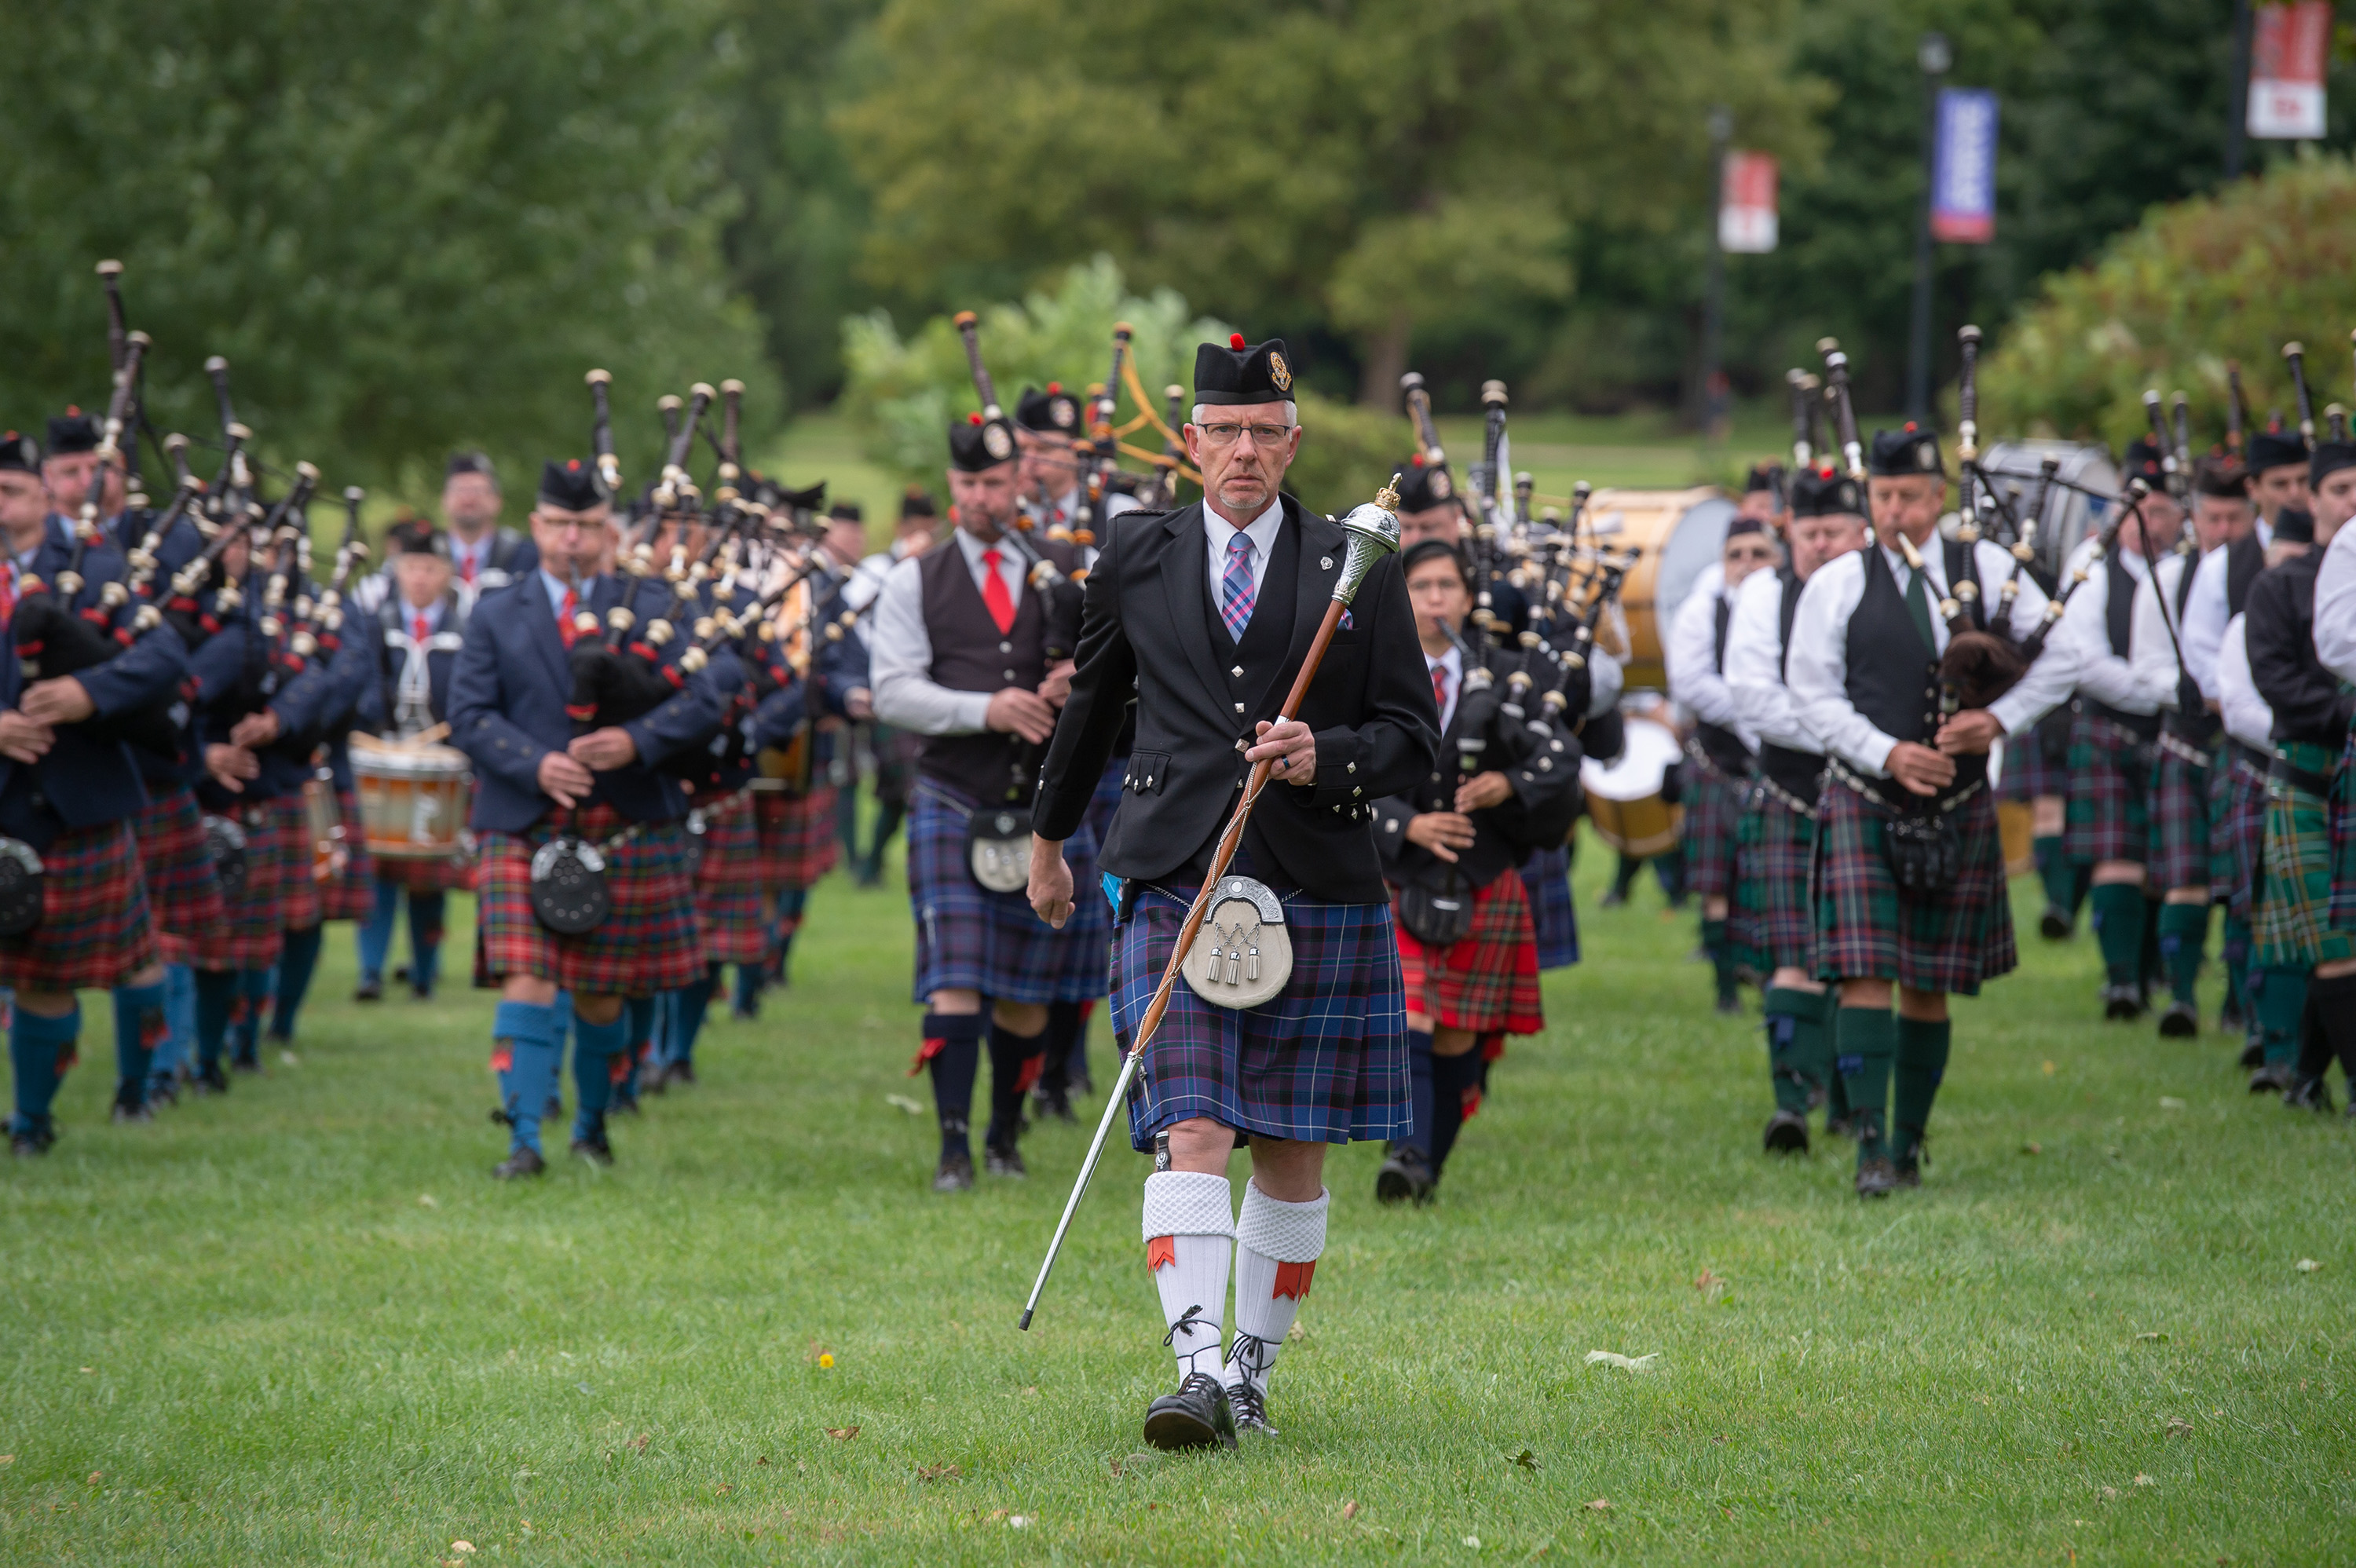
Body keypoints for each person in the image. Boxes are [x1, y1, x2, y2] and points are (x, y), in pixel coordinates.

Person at [1027, 333, 1437, 1448]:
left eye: (1265, 431)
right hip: (1175, 871)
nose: (1244, 450)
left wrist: (1328, 753)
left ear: (1293, 440)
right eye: (1225, 431)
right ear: (1191, 442)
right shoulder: (1135, 551)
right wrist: (1049, 837)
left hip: (1317, 872)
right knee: (1194, 1128)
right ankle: (1198, 1370)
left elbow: (1414, 741)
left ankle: (1252, 1373)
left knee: (1293, 1149)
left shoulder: (1357, 560)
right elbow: (1092, 707)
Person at [1787, 423, 2075, 1195]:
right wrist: (1883, 750)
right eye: (1883, 497)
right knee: (1864, 974)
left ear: (1939, 497)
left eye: (1911, 497)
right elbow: (1810, 691)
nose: (1896, 512)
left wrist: (2000, 718)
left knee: (1928, 982)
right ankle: (1870, 1149)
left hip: (1957, 801)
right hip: (1867, 795)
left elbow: (2067, 651)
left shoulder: (1985, 566)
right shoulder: (1838, 582)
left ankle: (1910, 1146)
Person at [448, 459, 723, 1176]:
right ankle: (523, 1142)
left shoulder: (657, 602)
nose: (573, 538)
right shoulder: (496, 610)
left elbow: (704, 700)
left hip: (622, 820)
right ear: (536, 525)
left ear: (609, 531)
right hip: (524, 819)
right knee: (527, 978)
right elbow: (469, 715)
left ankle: (593, 1125)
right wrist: (536, 762)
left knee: (602, 995)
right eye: (560, 524)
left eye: (589, 525)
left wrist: (636, 739)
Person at [869, 409, 1101, 1190]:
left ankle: (1006, 1132)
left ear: (1018, 482)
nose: (982, 496)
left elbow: (1118, 673)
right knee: (956, 978)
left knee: (1027, 996)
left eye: (996, 482)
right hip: (953, 793)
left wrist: (1082, 682)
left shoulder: (1064, 566)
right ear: (951, 486)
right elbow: (892, 691)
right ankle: (954, 1146)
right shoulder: (915, 577)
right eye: (969, 483)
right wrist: (989, 708)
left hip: (1044, 802)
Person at [1370, 540, 1578, 1203]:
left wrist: (1509, 784)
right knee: (1413, 1020)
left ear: (1469, 597)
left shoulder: (1510, 673)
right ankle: (1408, 1152)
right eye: (1421, 585)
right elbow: (1344, 768)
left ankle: (1426, 1165)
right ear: (1401, 597)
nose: (1435, 598)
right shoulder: (1374, 671)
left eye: (1447, 586)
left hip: (1481, 876)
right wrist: (1409, 824)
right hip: (1399, 874)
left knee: (1458, 1032)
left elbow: (1564, 761)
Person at [0, 429, 191, 1150]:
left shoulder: (95, 563)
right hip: (5, 796)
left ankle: (139, 1088)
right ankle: (34, 1121)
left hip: (77, 796)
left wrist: (89, 689)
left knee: (132, 961)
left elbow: (166, 654)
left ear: (45, 495)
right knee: (36, 977)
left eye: (11, 492)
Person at [1727, 465, 1869, 1153]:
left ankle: (1849, 1096)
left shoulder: (1883, 592)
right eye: (1808, 533)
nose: (1820, 545)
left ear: (1860, 532)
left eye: (1834, 532)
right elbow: (1752, 693)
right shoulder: (1763, 592)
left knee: (1859, 954)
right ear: (1790, 534)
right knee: (1792, 949)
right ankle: (1792, 1100)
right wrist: (1856, 732)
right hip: (1793, 788)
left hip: (1870, 792)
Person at [2129, 459, 2256, 1036]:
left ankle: (2239, 1001)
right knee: (2185, 876)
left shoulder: (2264, 569)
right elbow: (2149, 664)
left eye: (2235, 517)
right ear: (2193, 516)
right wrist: (2197, 690)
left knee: (2238, 881)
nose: (2223, 530)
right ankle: (2180, 995)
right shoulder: (2170, 577)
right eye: (2213, 517)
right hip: (2187, 738)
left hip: (2243, 739)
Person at [2247, 443, 2356, 1106]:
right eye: (2340, 488)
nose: (2353, 501)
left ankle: (2306, 1075)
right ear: (2310, 499)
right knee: (2334, 940)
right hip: (2309, 774)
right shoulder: (2278, 586)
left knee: (2340, 941)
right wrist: (2345, 710)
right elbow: (2277, 683)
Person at [2057, 440, 2181, 1020]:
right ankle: (2121, 979)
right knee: (2117, 854)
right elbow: (2084, 660)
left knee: (2168, 858)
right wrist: (2155, 689)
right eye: (2138, 512)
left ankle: (2158, 968)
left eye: (2160, 512)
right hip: (2108, 726)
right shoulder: (2092, 566)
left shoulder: (2189, 570)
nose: (2148, 525)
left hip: (2179, 735)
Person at [356, 522, 472, 1001]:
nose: (420, 577)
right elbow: (363, 682)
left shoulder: (465, 627)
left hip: (442, 763)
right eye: (411, 567)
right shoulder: (376, 620)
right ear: (397, 570)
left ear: (447, 573)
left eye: (429, 568)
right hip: (383, 757)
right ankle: (370, 973)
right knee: (379, 868)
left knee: (430, 874)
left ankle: (425, 974)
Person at [1665, 519, 1778, 1011]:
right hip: (1716, 762)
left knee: (1769, 879)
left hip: (1774, 767)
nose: (1747, 564)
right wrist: (1755, 713)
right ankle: (1725, 992)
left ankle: (1769, 974)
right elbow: (1689, 682)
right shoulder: (1701, 611)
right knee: (1716, 885)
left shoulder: (1791, 607)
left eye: (1759, 553)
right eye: (1736, 555)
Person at [2214, 527, 2294, 1088]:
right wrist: (2306, 735)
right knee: (2261, 910)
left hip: (2327, 768)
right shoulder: (2244, 626)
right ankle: (2271, 1040)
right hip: (2271, 769)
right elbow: (2238, 709)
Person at [843, 487, 940, 886]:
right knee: (890, 783)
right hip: (876, 687)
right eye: (916, 526)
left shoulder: (940, 566)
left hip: (923, 687)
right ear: (901, 527)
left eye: (929, 527)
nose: (924, 533)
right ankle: (865, 863)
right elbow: (850, 624)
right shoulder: (877, 568)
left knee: (905, 783)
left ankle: (874, 862)